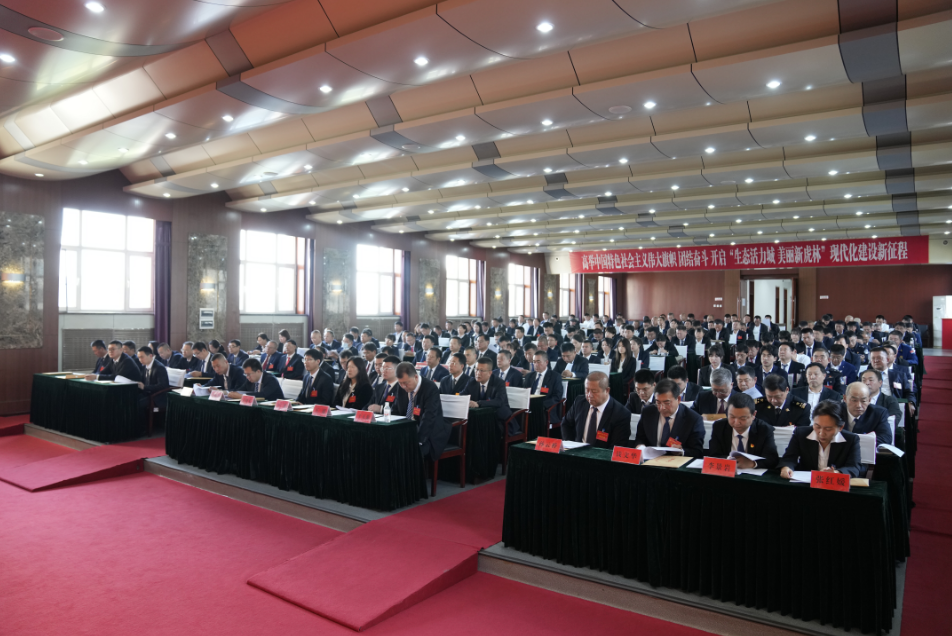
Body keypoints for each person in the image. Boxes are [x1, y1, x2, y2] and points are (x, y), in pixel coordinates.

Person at [780, 400, 862, 478]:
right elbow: (789, 458)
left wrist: (836, 473)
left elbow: (854, 467)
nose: (821, 433)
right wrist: (786, 467)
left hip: (833, 484)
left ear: (841, 427)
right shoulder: (801, 434)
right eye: (817, 426)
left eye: (828, 429)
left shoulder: (851, 439)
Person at [633, 378, 705, 457]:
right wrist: (641, 448)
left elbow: (697, 451)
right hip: (650, 460)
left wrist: (682, 452)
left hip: (676, 462)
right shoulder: (648, 412)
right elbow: (640, 438)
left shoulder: (693, 419)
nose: (662, 408)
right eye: (658, 403)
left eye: (667, 403)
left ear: (678, 399)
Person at [707, 392, 779, 469]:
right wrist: (729, 460)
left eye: (742, 418)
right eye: (732, 417)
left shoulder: (764, 429)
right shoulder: (719, 427)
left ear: (753, 415)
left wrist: (752, 463)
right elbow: (714, 454)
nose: (736, 422)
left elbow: (772, 459)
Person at [560, 372, 632, 448]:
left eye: (594, 391)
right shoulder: (580, 402)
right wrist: (571, 445)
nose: (589, 395)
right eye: (587, 390)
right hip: (577, 452)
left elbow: (616, 446)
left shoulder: (621, 414)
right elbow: (566, 423)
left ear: (607, 390)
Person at [395, 362, 450, 461]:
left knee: (408, 451)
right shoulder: (401, 386)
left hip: (428, 434)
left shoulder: (430, 388)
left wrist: (418, 440)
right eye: (400, 383)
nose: (403, 386)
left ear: (416, 377)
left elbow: (429, 417)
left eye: (406, 383)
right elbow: (396, 409)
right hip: (408, 431)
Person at [468, 357, 514, 434]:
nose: (478, 373)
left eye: (481, 370)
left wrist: (478, 403)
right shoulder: (472, 382)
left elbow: (499, 401)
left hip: (499, 420)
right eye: (476, 369)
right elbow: (463, 395)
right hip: (479, 419)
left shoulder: (499, 383)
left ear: (490, 373)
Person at [525, 349, 563, 425]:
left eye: (538, 362)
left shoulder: (555, 376)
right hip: (530, 405)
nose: (536, 364)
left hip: (545, 407)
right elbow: (525, 392)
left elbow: (557, 396)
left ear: (546, 362)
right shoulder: (529, 376)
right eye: (534, 362)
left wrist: (540, 405)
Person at [136, 345, 170, 424]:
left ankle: (143, 427)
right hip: (148, 394)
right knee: (131, 400)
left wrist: (145, 387)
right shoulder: (144, 367)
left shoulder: (159, 367)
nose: (140, 360)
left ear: (150, 356)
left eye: (142, 357)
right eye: (139, 357)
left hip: (158, 396)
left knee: (138, 404)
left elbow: (162, 386)